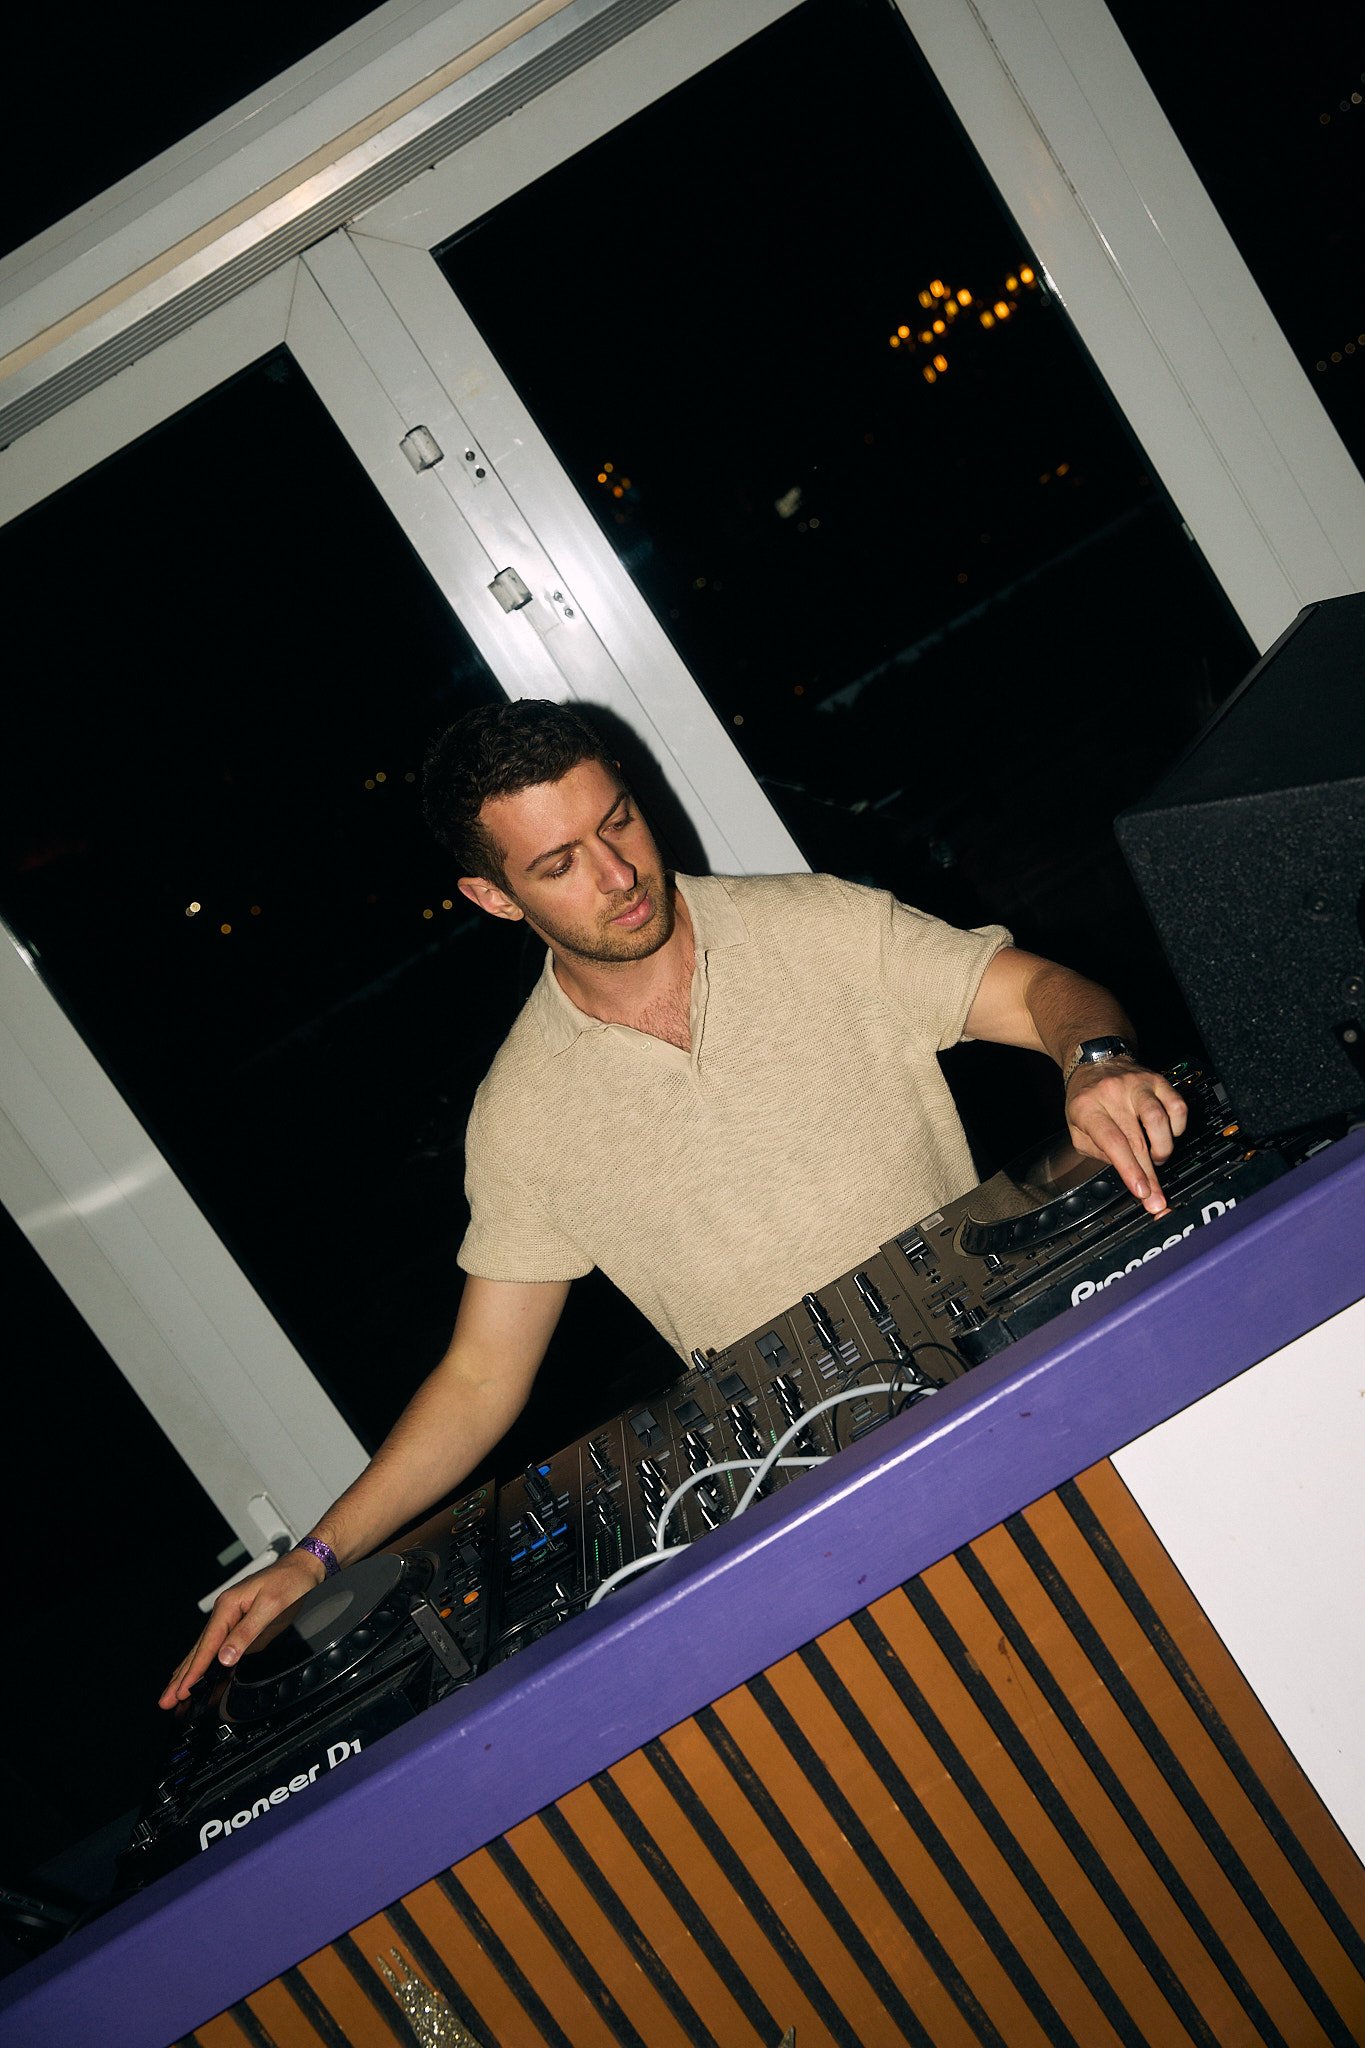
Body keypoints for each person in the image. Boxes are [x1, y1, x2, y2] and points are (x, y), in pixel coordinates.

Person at [161, 699, 1186, 1707]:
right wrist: (321, 1553)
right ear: (492, 897)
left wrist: (1094, 1061)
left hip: (1019, 1385)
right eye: (558, 864)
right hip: (821, 1510)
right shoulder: (522, 1114)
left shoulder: (815, 922)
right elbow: (478, 1378)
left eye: (618, 823)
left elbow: (1046, 988)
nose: (618, 876)